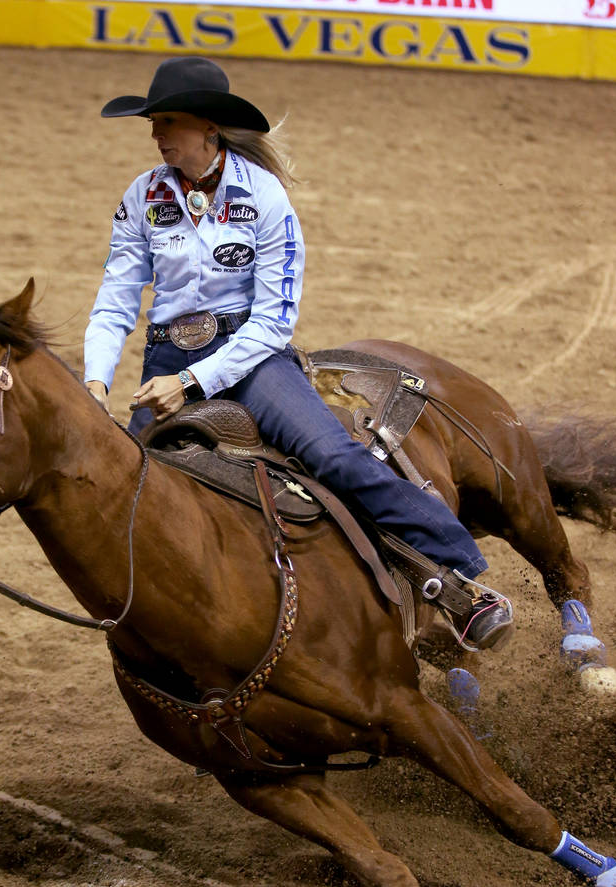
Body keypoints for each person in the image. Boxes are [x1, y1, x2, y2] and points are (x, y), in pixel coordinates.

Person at [83, 56, 513, 651]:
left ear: (209, 127)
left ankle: (459, 579)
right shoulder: (141, 197)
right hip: (167, 360)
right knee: (119, 489)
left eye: (169, 122)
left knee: (333, 456)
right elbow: (116, 298)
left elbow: (273, 321)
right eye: (153, 123)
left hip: (251, 357)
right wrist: (95, 383)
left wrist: (192, 383)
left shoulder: (264, 196)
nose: (156, 135)